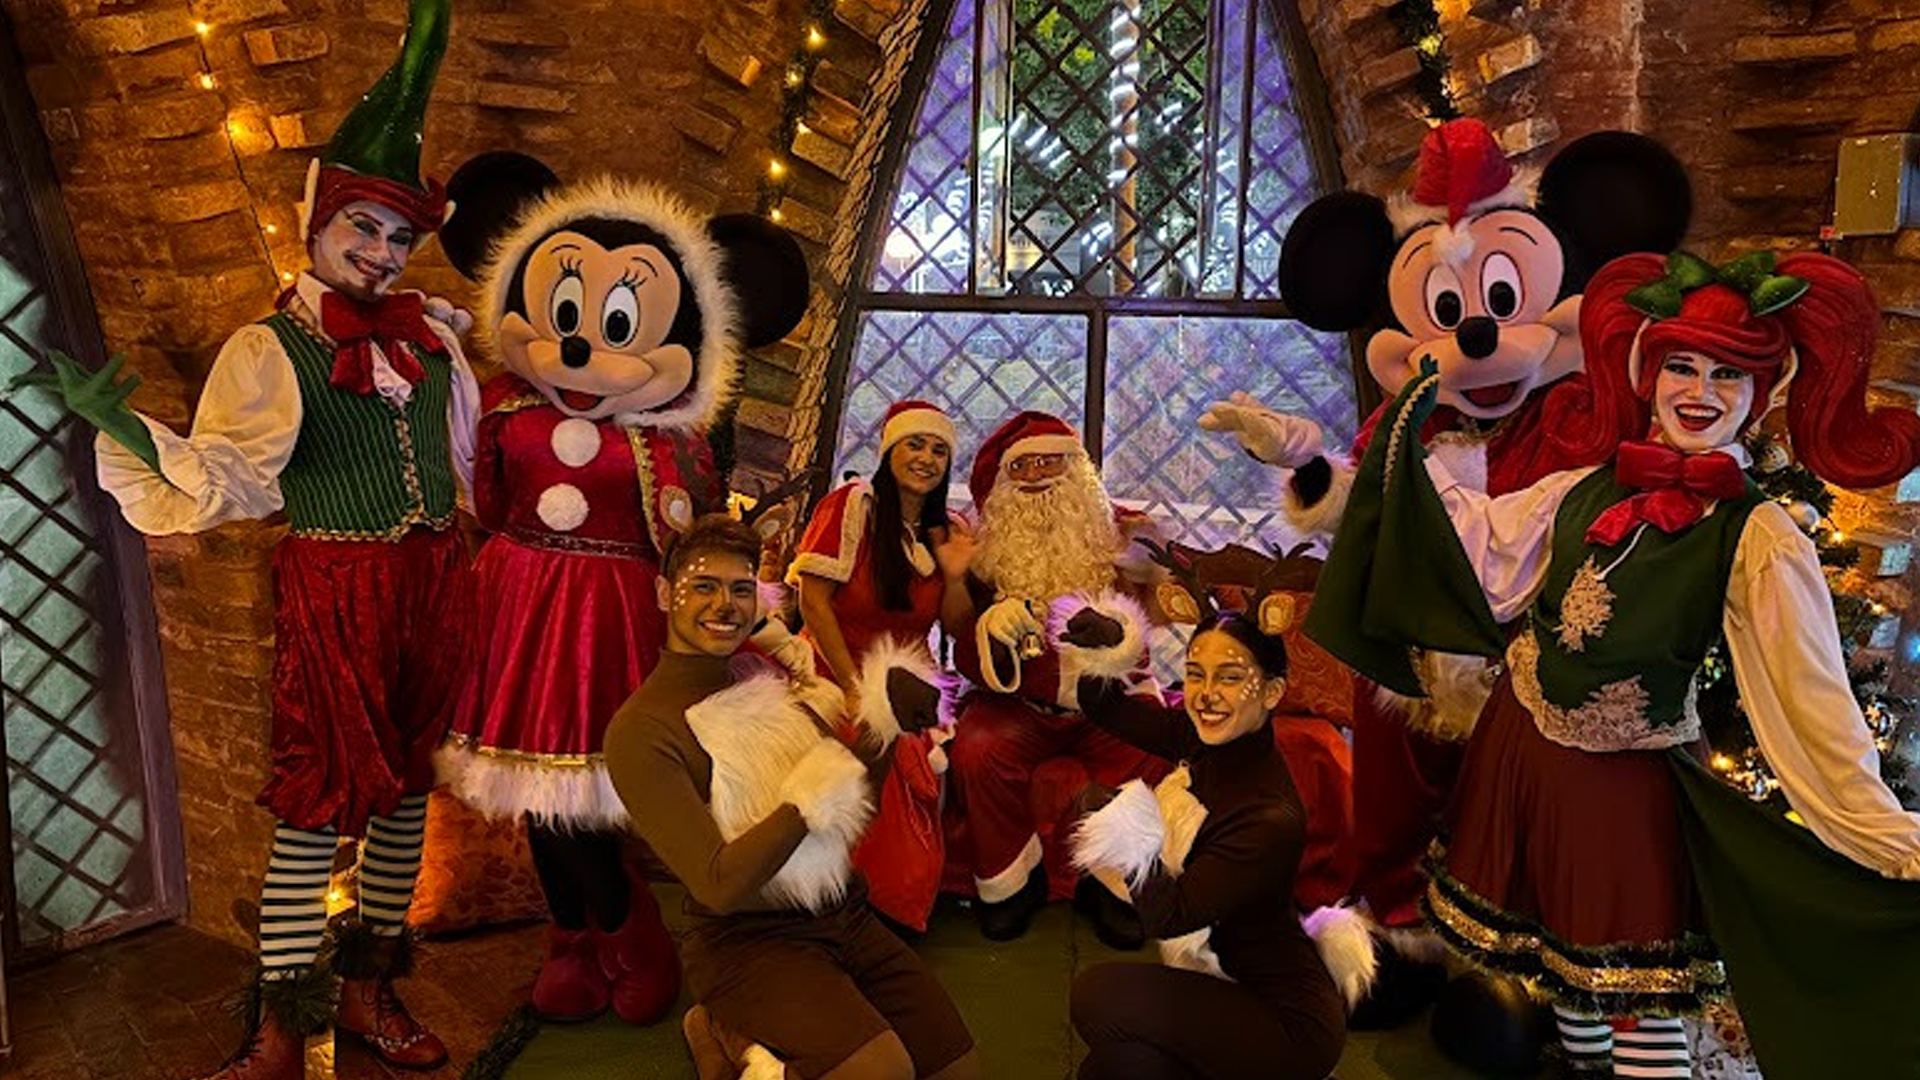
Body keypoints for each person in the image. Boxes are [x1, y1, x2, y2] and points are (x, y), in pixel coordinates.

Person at [10, 2, 472, 1075]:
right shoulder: (272, 351)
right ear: (318, 223)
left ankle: (368, 995)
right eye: (363, 228)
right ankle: (278, 1025)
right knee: (316, 808)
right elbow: (222, 483)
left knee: (408, 795)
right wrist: (125, 426)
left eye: (400, 236)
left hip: (437, 587)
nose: (381, 251)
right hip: (338, 591)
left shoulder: (437, 340)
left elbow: (465, 461)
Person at [1324, 249, 1920, 1080]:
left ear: (1763, 394)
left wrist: (1881, 829)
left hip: (1621, 788)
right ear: (1648, 371)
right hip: (1521, 752)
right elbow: (1480, 553)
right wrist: (1400, 445)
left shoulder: (1760, 537)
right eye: (1681, 366)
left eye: (1728, 375)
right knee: (1562, 974)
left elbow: (1811, 697)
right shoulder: (1582, 487)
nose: (1698, 392)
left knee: (1633, 996)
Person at [432, 150, 810, 1025]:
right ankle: (571, 939)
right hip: (516, 616)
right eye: (567, 315)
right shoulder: (502, 407)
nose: (578, 347)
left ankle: (631, 933)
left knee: (594, 800)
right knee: (535, 796)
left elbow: (686, 539)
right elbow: (483, 502)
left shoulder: (668, 437)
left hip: (611, 625)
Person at [603, 514, 981, 1080]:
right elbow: (719, 884)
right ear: (664, 593)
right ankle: (727, 1035)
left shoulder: (769, 684)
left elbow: (852, 813)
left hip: (844, 916)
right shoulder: (641, 730)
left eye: (740, 589)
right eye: (703, 586)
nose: (724, 605)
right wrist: (803, 803)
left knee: (962, 1073)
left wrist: (885, 729)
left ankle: (746, 1039)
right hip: (748, 942)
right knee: (883, 1072)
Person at [1066, 608, 1351, 1080]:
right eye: (1195, 675)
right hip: (1222, 983)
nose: (1207, 694)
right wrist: (1108, 646)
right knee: (1114, 1067)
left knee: (1096, 997)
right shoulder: (1202, 739)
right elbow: (1106, 707)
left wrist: (1122, 824)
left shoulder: (1269, 817)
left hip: (1289, 1026)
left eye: (1230, 676)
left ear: (1273, 692)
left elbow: (1168, 915)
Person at [945, 410, 1169, 944]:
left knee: (1152, 743)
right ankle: (1010, 883)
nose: (1041, 475)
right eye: (1024, 466)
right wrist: (971, 601)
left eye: (1054, 461)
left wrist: (1152, 567)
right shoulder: (985, 548)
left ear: (1080, 473)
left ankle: (1113, 881)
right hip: (1018, 705)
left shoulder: (1119, 534)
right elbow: (957, 634)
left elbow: (1159, 620)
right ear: (1002, 482)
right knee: (977, 750)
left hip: (1108, 702)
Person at [787, 400, 972, 931]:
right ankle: (851, 900)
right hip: (833, 664)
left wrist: (957, 576)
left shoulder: (948, 528)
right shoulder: (853, 506)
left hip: (912, 685)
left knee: (913, 751)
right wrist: (851, 688)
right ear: (889, 448)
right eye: (915, 444)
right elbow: (814, 602)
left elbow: (956, 627)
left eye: (939, 450)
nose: (927, 458)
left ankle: (892, 904)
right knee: (863, 741)